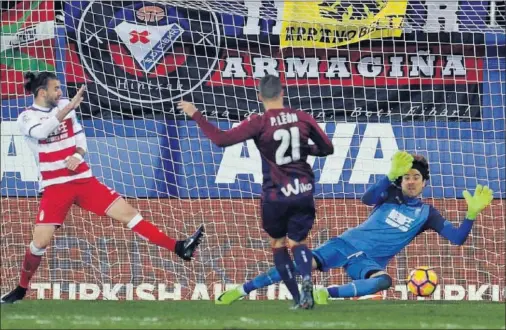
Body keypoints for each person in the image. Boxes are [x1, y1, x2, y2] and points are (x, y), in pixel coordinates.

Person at [1, 72, 205, 304]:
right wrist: (66, 110)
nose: (60, 93)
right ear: (41, 92)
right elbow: (40, 133)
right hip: (55, 186)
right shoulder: (27, 117)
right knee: (40, 243)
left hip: (83, 179)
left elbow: (79, 136)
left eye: (60, 89)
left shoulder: (66, 106)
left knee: (130, 215)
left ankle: (179, 248)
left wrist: (78, 154)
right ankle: (21, 288)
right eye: (56, 88)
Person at [215, 151, 494, 304]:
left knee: (384, 281)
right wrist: (389, 176)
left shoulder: (427, 214)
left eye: (416, 177)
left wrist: (470, 215)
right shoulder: (390, 193)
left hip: (369, 260)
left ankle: (326, 294)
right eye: (406, 176)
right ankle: (241, 290)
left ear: (424, 183)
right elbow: (367, 199)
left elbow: (457, 239)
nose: (410, 181)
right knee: (301, 265)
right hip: (344, 244)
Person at [178, 74, 334, 309]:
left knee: (278, 243)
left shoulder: (258, 122)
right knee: (298, 242)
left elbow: (221, 140)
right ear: (282, 93)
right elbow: (327, 148)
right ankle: (307, 279)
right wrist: (305, 149)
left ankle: (298, 298)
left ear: (259, 96)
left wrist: (195, 114)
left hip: (276, 194)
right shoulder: (302, 117)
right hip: (303, 190)